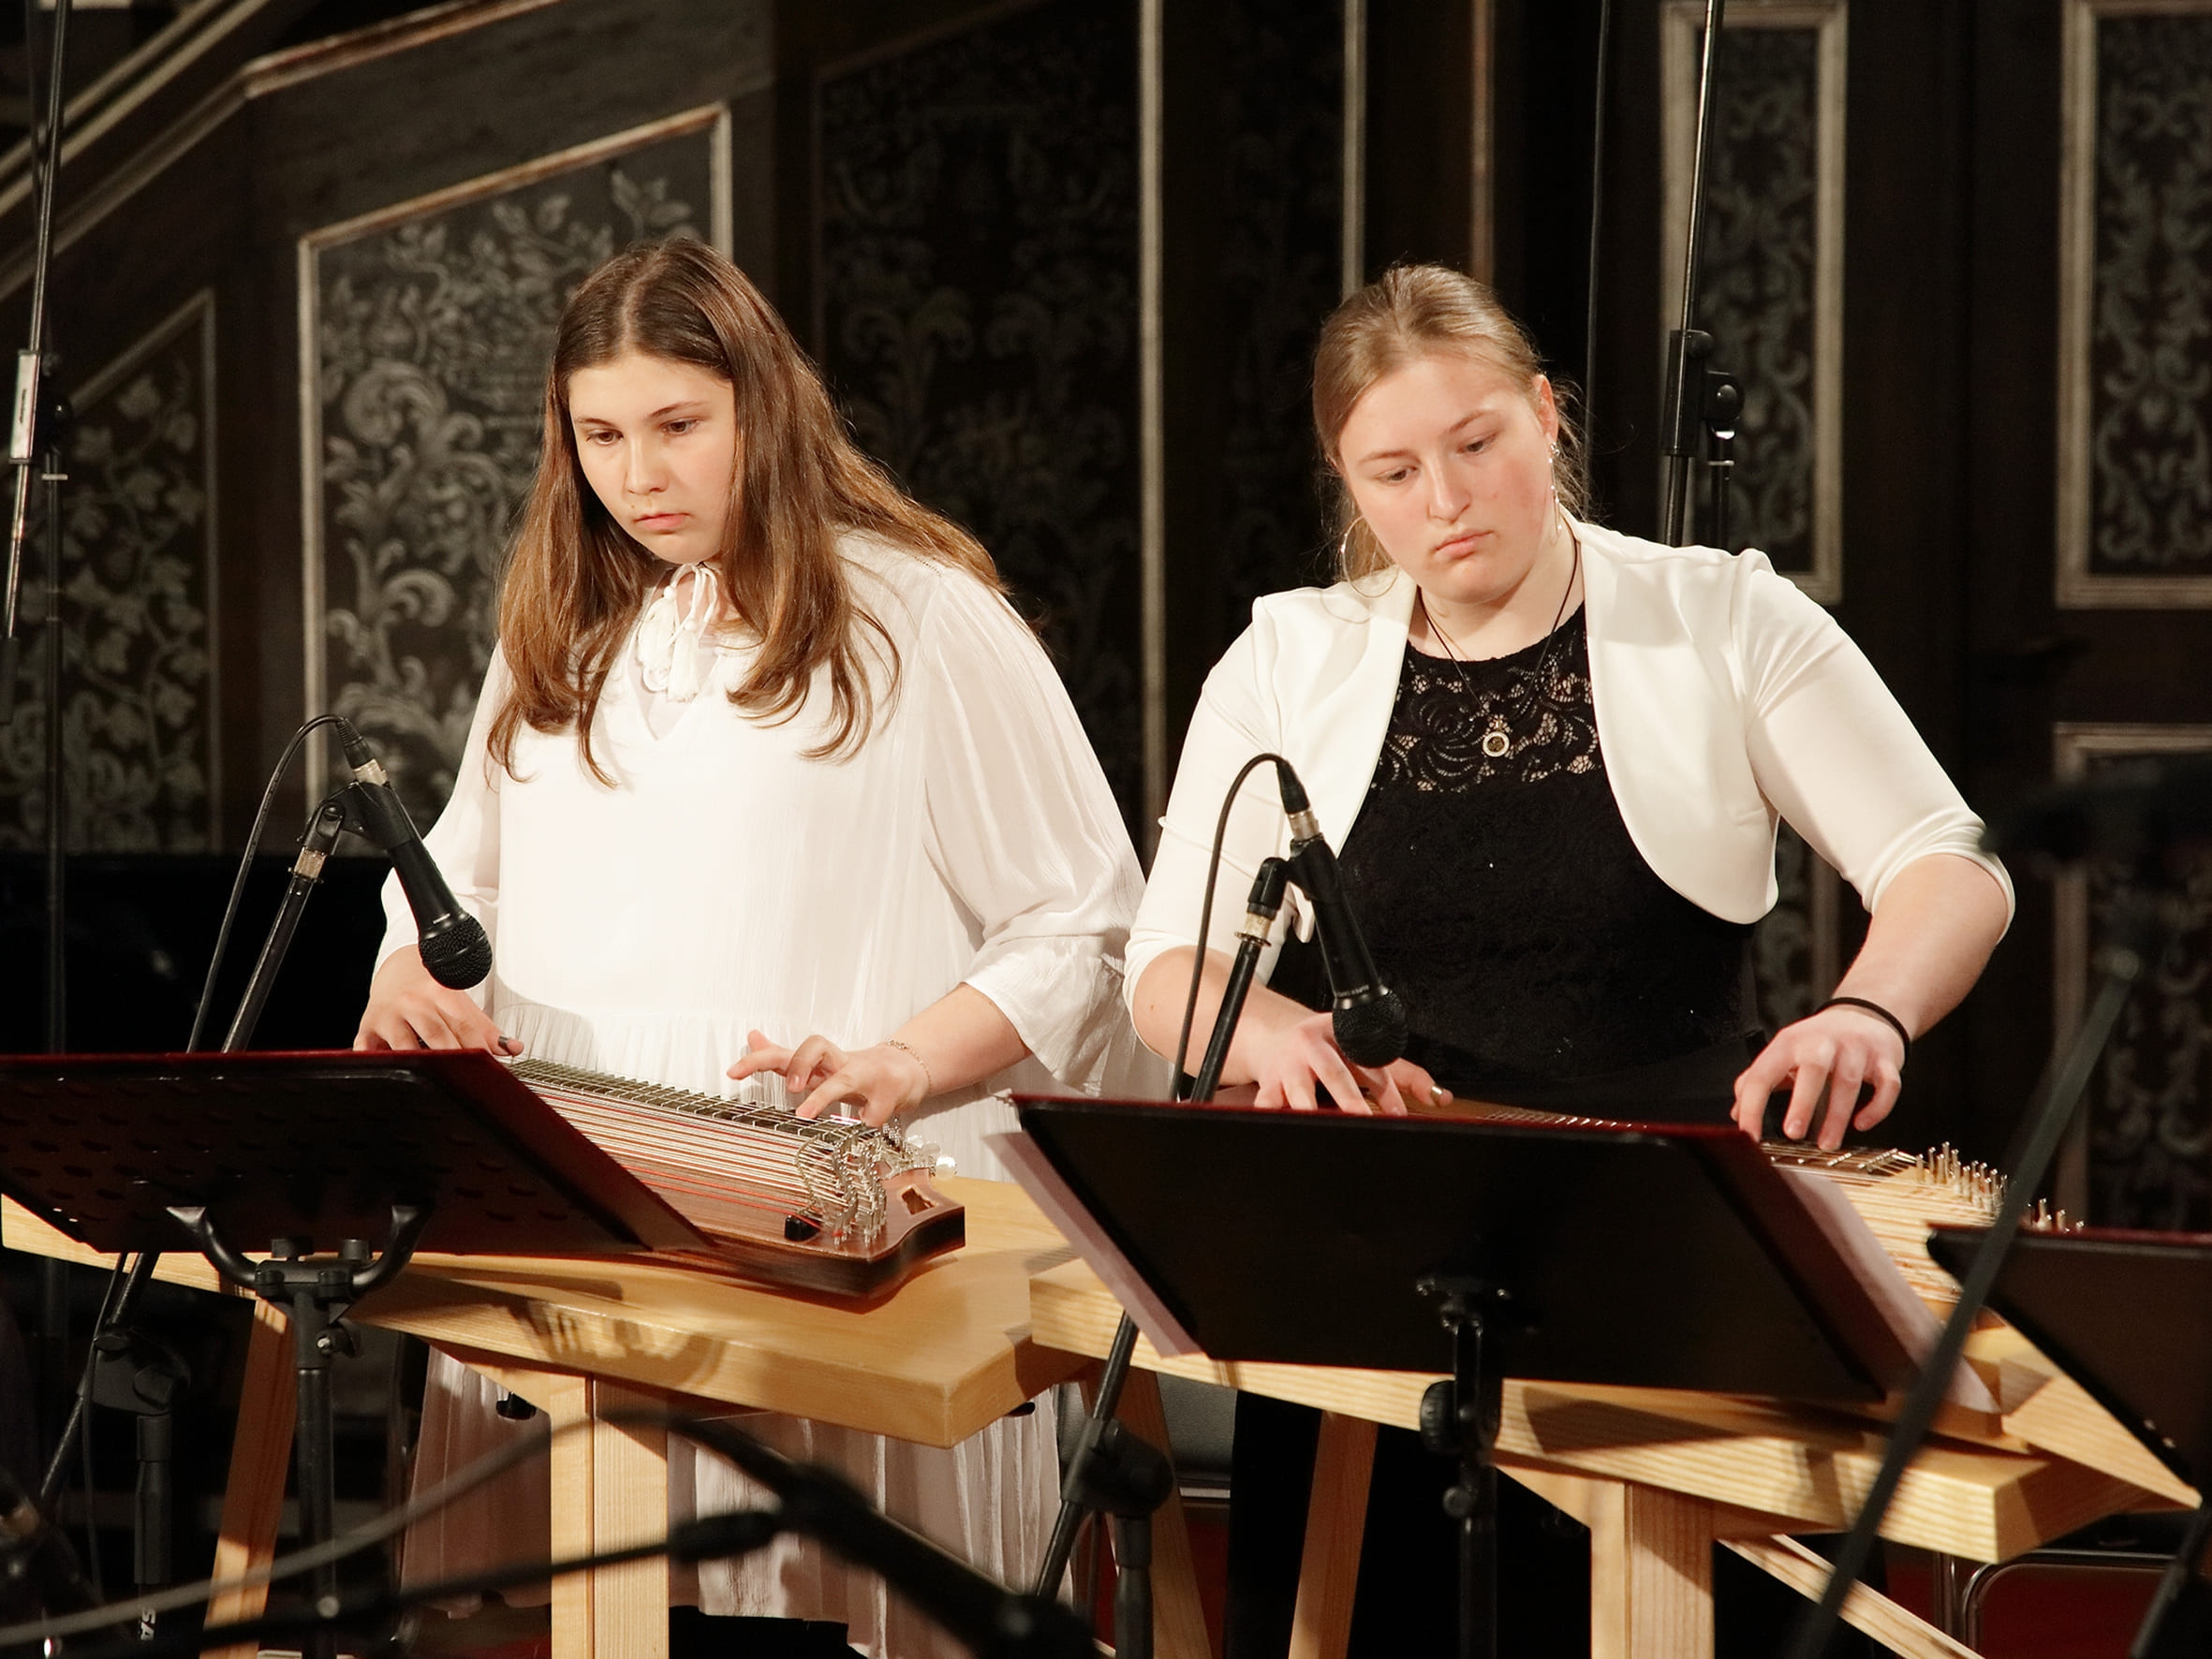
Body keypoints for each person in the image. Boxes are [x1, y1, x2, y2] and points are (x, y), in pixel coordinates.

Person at [1123, 264, 2013, 1656]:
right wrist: (1270, 1037)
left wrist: (1864, 1014)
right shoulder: (1288, 657)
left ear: (1546, 417)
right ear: (1347, 483)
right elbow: (1167, 964)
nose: (1444, 500)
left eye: (1476, 443)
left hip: (1661, 1249)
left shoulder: (1717, 616)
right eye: (1393, 470)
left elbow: (1948, 866)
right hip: (1374, 1257)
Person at [356, 236, 1152, 1659]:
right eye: (599, 435)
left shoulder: (914, 615)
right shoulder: (563, 632)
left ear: (761, 409)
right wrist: (407, 976)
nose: (638, 474)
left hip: (813, 1214)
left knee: (819, 1609)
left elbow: (1084, 922)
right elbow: (443, 890)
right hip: (577, 1223)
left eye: (677, 426)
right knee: (557, 1617)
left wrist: (906, 1061)